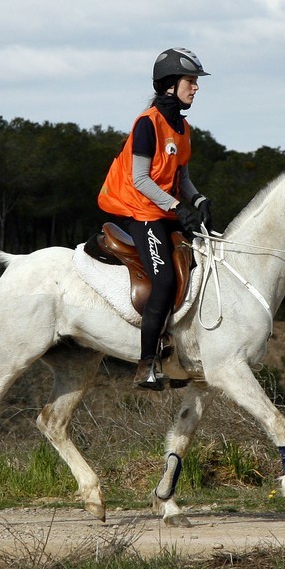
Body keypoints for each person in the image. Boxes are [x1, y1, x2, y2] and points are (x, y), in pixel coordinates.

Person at [98, 48, 213, 390]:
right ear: (169, 86)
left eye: (195, 82)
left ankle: (180, 353)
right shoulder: (147, 124)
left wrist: (199, 199)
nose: (195, 88)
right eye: (190, 81)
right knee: (163, 280)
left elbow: (182, 178)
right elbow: (141, 179)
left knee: (199, 264)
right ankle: (146, 362)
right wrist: (178, 208)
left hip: (165, 208)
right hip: (142, 211)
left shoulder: (183, 127)